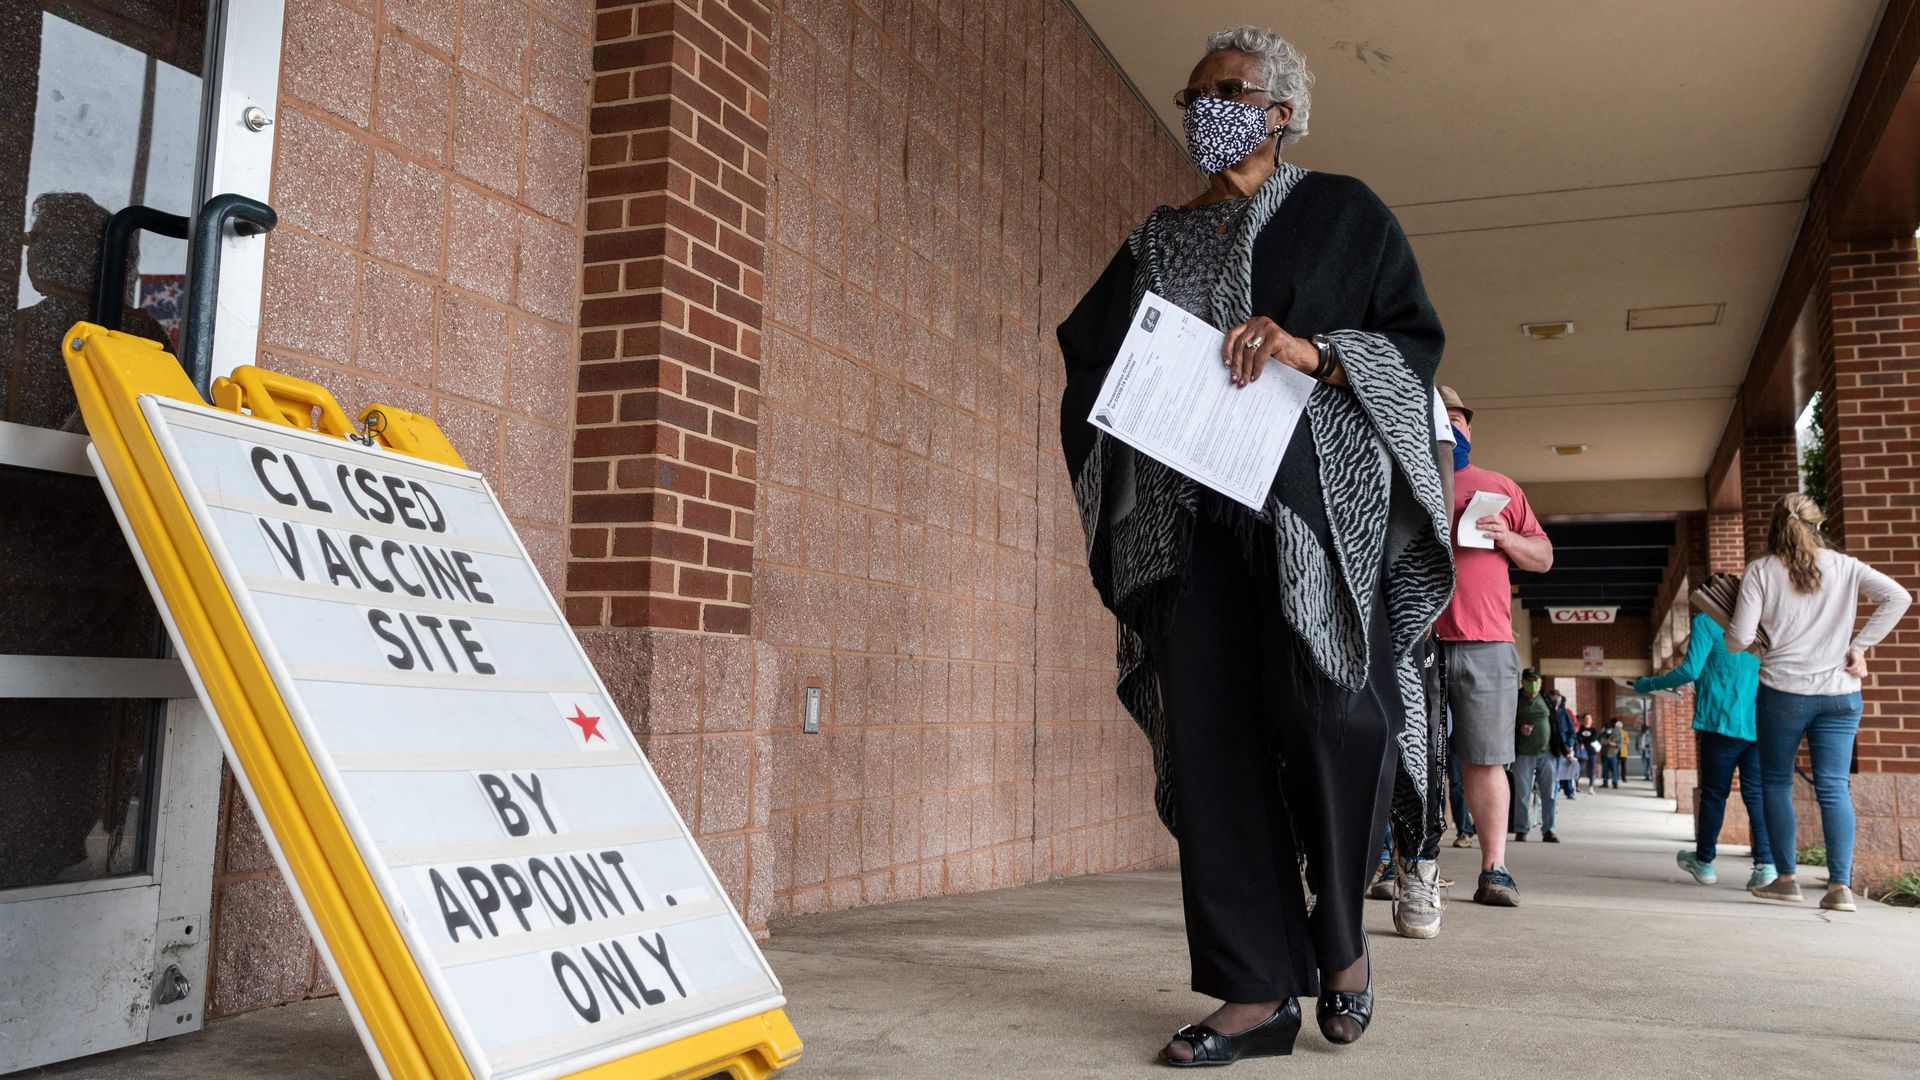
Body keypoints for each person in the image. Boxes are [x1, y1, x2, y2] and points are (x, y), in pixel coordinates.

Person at [1057, 26, 1452, 1065]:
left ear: (1279, 113)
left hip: (1312, 524)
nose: (1203, 112)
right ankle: (1253, 991)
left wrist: (1311, 352)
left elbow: (1411, 345)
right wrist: (1137, 386)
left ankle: (1342, 940)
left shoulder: (1343, 214)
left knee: (1340, 720)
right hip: (1187, 527)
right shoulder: (1157, 238)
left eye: (1224, 93)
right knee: (1214, 745)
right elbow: (1090, 355)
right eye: (1192, 97)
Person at [1727, 494, 1912, 913]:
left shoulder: (1761, 570)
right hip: (1841, 694)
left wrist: (1732, 639)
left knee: (1776, 782)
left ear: (1775, 527)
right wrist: (1859, 646)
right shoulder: (1846, 566)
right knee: (1833, 786)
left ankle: (1786, 881)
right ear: (1818, 524)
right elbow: (1898, 597)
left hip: (1783, 693)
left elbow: (1740, 638)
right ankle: (1839, 888)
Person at [1434, 386, 1553, 907]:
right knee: (1407, 756)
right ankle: (1399, 863)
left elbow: (1543, 556)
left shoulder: (1499, 486)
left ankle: (1495, 870)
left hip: (1486, 643)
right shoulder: (1405, 476)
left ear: (1469, 428)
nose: (1452, 426)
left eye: (1458, 419)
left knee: (1485, 760)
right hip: (1418, 640)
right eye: (1442, 418)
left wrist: (1506, 537)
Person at [1634, 604, 1774, 889]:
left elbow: (1690, 670)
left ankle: (1705, 862)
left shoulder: (1706, 621)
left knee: (1714, 795)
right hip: (1758, 723)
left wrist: (1648, 684)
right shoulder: (1760, 620)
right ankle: (1765, 866)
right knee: (1756, 794)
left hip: (1719, 722)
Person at [1509, 669, 1561, 842]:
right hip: (1523, 754)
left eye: (1536, 680)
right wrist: (1519, 728)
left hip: (1547, 753)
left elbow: (1554, 723)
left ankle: (1549, 830)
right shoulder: (1515, 700)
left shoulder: (1545, 699)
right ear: (1523, 682)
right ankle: (1522, 829)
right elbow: (1506, 722)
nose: (1533, 684)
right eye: (1530, 681)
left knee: (1549, 793)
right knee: (1522, 794)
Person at [1599, 718, 1624, 788]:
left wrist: (1612, 744)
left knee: (1614, 769)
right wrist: (1604, 741)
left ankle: (1615, 783)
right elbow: (1600, 739)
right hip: (1604, 753)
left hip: (1613, 753)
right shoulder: (1604, 731)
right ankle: (1605, 783)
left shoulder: (1618, 732)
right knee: (1605, 769)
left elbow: (1620, 743)